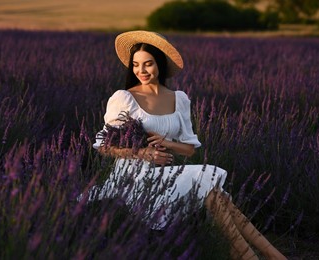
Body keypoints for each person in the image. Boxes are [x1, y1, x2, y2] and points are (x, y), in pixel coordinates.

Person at [92, 30, 286, 260]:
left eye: (148, 64)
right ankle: (262, 256)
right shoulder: (124, 98)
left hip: (164, 176)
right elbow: (103, 146)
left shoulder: (179, 99)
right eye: (135, 65)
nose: (141, 71)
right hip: (133, 179)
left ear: (160, 64)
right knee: (209, 182)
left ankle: (257, 255)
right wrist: (143, 153)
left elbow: (190, 148)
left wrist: (167, 143)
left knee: (216, 195)